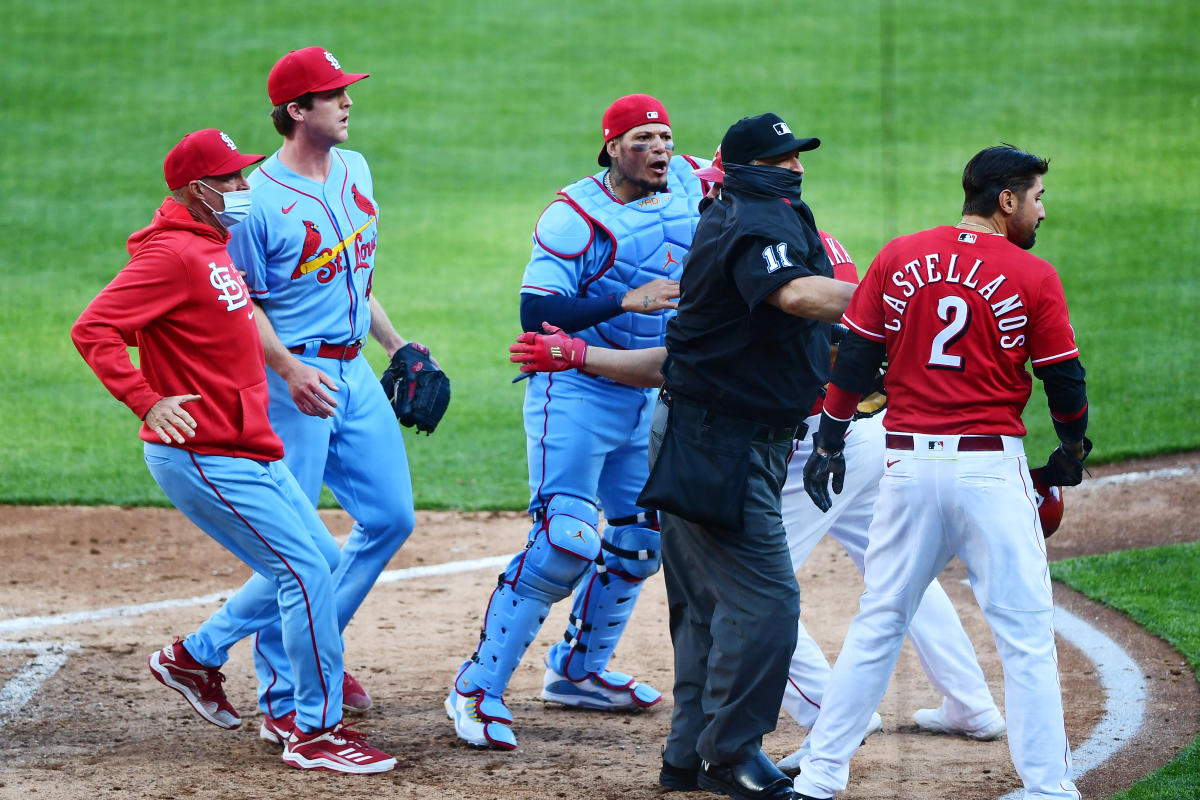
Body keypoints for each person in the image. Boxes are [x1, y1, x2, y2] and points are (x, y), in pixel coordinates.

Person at [70, 128, 394, 773]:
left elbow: (194, 329)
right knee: (303, 571)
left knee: (320, 560)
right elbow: (95, 327)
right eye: (232, 180)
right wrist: (146, 398)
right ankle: (314, 732)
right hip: (204, 454)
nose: (247, 188)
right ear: (199, 190)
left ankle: (192, 658)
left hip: (250, 446)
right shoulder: (173, 256)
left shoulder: (210, 245)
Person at [794, 145, 1090, 800]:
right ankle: (1048, 789)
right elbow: (1063, 377)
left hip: (905, 467)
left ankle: (820, 777)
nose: (1043, 210)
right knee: (1024, 636)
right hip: (989, 472)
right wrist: (1072, 448)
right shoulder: (1032, 274)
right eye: (1037, 196)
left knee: (878, 624)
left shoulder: (899, 256)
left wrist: (831, 441)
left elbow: (853, 362)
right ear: (1006, 200)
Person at [172, 46, 427, 741]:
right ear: (295, 111)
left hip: (354, 374)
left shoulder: (356, 167)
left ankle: (305, 647)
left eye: (346, 92)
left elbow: (356, 278)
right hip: (295, 383)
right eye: (333, 94)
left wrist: (399, 346)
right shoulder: (254, 200)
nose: (347, 103)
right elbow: (240, 302)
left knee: (390, 518)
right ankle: (276, 684)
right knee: (301, 545)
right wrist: (287, 369)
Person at [446, 94, 707, 750]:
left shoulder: (686, 180)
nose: (659, 150)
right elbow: (537, 316)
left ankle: (577, 672)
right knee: (565, 539)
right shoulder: (573, 217)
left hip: (643, 389)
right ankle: (476, 686)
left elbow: (732, 167)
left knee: (641, 541)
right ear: (612, 146)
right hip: (575, 393)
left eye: (666, 138)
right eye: (643, 139)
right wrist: (626, 297)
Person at [648, 111, 853, 800]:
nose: (795, 167)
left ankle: (688, 757)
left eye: (797, 156)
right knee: (767, 605)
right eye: (780, 159)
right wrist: (891, 302)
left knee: (707, 608)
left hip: (718, 432)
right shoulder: (751, 221)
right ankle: (729, 754)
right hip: (720, 444)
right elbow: (793, 294)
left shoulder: (767, 209)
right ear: (745, 169)